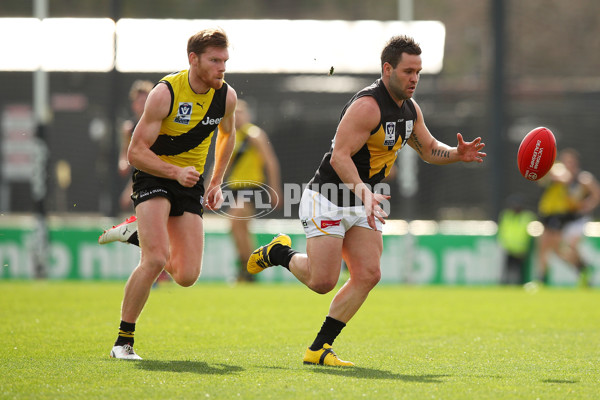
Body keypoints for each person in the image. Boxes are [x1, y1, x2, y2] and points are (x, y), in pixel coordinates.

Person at [246, 35, 486, 367]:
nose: (414, 78)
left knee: (369, 274)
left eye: (418, 71)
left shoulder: (410, 110)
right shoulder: (367, 106)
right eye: (408, 71)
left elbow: (429, 148)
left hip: (364, 199)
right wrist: (364, 193)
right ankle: (279, 253)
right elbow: (339, 159)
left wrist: (457, 154)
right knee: (322, 282)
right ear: (387, 69)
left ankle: (318, 349)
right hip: (328, 197)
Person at [99, 28, 237, 360]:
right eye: (215, 61)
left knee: (188, 276)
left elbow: (227, 136)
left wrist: (216, 180)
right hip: (154, 174)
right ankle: (123, 342)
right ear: (194, 59)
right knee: (156, 258)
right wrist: (174, 171)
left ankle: (135, 235)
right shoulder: (164, 94)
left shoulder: (226, 97)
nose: (222, 68)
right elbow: (135, 152)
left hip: (190, 184)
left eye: (225, 61)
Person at [224, 99, 282, 282]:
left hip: (252, 187)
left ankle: (248, 268)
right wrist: (212, 187)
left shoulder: (254, 134)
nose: (237, 116)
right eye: (234, 113)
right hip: (234, 188)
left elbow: (270, 162)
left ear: (248, 115)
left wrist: (274, 189)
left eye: (240, 112)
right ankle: (247, 268)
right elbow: (223, 167)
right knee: (238, 227)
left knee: (236, 220)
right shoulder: (233, 136)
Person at [536, 148, 600, 286]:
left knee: (570, 245)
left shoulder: (582, 178)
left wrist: (588, 205)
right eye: (565, 161)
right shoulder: (557, 171)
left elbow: (596, 193)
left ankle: (581, 268)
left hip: (578, 219)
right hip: (566, 218)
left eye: (571, 161)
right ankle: (582, 268)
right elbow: (545, 179)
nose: (568, 164)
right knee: (556, 249)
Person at [118, 80, 154, 211]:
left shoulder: (158, 126)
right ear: (134, 104)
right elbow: (125, 154)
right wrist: (123, 163)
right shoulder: (128, 128)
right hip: (139, 180)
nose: (142, 105)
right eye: (139, 101)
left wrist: (131, 187)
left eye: (146, 100)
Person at [497, 194, 536, 284]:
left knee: (521, 272)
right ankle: (504, 285)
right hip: (508, 249)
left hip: (522, 250)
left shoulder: (527, 217)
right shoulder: (506, 216)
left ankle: (521, 285)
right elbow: (503, 230)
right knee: (506, 271)